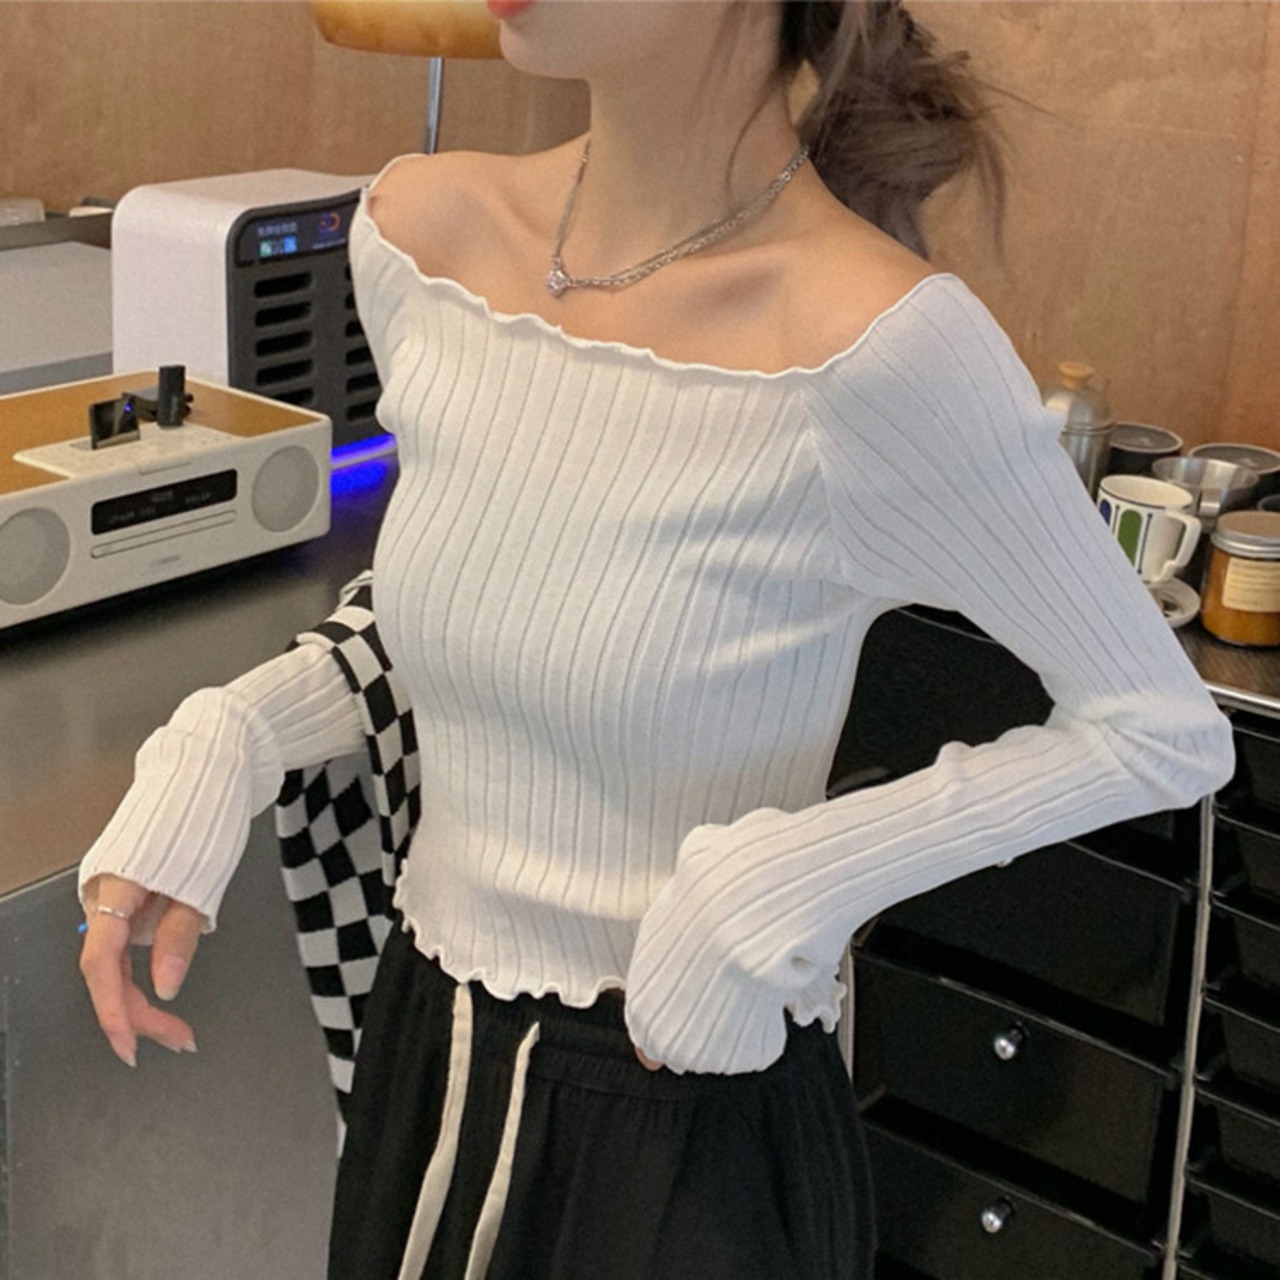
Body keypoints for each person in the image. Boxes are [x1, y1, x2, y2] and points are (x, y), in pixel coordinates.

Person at [78, 3, 1235, 1278]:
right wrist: (234, 733)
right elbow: (486, 614)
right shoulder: (422, 234)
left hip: (683, 1109)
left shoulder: (882, 344)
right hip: (422, 1045)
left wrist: (774, 890)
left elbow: (1157, 729)